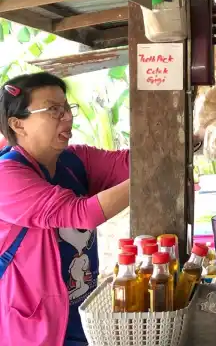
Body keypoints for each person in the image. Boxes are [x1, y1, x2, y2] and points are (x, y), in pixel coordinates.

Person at [0, 73, 130, 346]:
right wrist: (152, 176)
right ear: (17, 124)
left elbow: (131, 162)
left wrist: (196, 137)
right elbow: (82, 213)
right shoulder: (7, 176)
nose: (67, 117)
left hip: (81, 315)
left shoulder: (74, 159)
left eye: (67, 108)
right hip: (35, 327)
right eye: (53, 110)